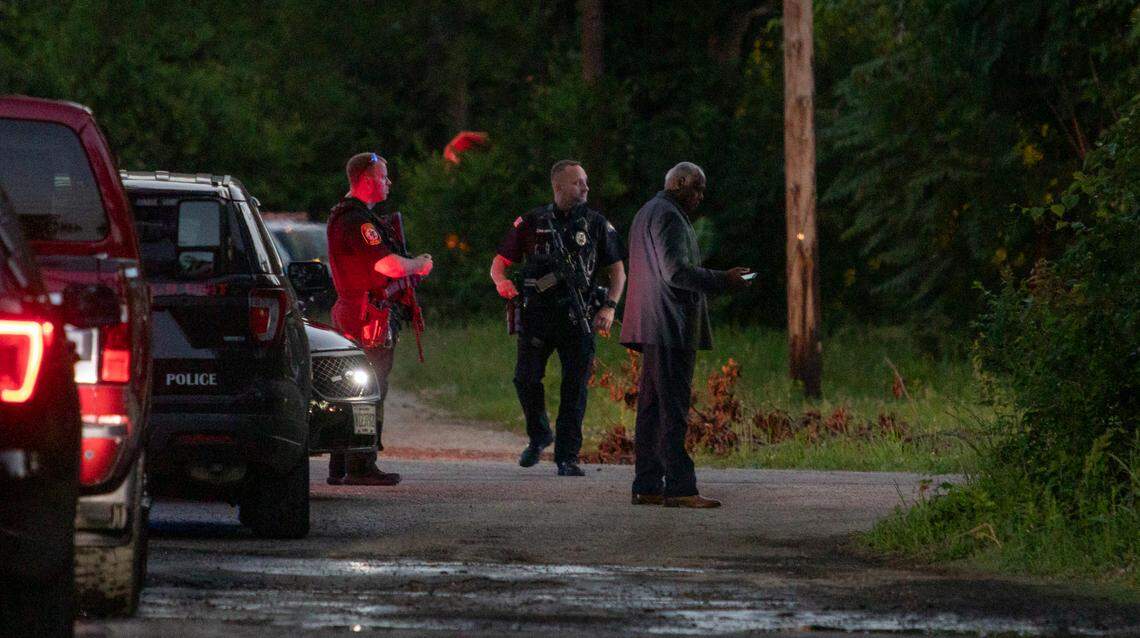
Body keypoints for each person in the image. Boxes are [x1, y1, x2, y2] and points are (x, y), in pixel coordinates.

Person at [620, 162, 751, 508]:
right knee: (672, 407)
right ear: (678, 183)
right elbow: (675, 272)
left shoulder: (648, 211)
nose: (700, 196)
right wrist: (724, 279)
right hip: (670, 325)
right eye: (696, 188)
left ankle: (647, 483)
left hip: (652, 323)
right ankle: (679, 487)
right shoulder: (667, 215)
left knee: (651, 406)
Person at [490, 160, 626, 476]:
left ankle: (567, 457)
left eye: (586, 181)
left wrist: (609, 307)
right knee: (525, 379)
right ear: (559, 186)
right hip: (537, 317)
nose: (585, 187)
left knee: (574, 388)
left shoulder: (595, 224)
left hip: (579, 318)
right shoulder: (532, 221)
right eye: (578, 182)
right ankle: (539, 436)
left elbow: (618, 271)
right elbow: (498, 264)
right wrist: (502, 282)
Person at [326, 152, 433, 486]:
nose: (388, 182)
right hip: (364, 316)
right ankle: (360, 464)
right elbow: (385, 265)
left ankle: (341, 464)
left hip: (359, 312)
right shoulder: (356, 221)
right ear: (367, 179)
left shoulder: (350, 217)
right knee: (368, 390)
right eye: (384, 176)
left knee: (352, 389)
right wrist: (418, 264)